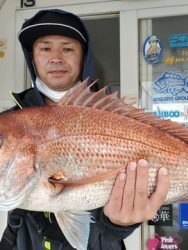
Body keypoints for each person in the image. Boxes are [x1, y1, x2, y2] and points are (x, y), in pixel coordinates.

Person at [0, 9, 169, 250]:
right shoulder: (9, 122)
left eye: (67, 48)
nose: (56, 57)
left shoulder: (111, 115)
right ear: (32, 57)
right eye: (45, 48)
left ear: (83, 56)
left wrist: (119, 224)